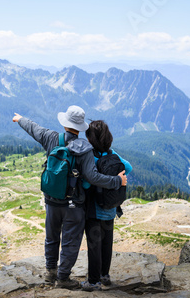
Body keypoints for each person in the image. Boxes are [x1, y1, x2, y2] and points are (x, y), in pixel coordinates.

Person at [12, 106, 126, 290]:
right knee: (70, 243)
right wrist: (116, 181)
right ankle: (63, 278)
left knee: (51, 238)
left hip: (51, 201)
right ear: (81, 127)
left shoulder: (51, 137)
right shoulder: (85, 148)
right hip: (74, 204)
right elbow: (93, 177)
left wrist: (20, 119)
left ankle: (50, 273)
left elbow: (34, 128)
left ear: (65, 122)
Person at [81, 120, 132, 291]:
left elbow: (88, 184)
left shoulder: (92, 157)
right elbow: (129, 167)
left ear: (90, 139)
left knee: (94, 245)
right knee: (106, 243)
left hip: (94, 210)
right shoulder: (112, 153)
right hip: (111, 208)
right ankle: (105, 275)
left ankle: (94, 281)